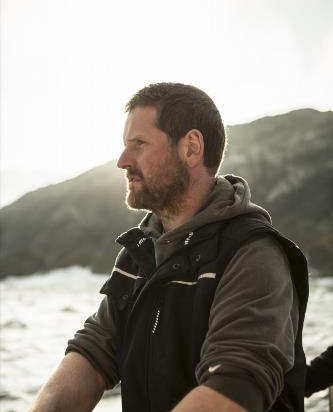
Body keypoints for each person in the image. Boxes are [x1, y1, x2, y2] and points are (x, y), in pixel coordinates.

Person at [30, 83, 309, 412]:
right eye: (124, 146)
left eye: (139, 144)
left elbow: (235, 384)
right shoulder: (138, 255)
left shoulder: (253, 255)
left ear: (191, 148)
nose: (122, 160)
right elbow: (95, 352)